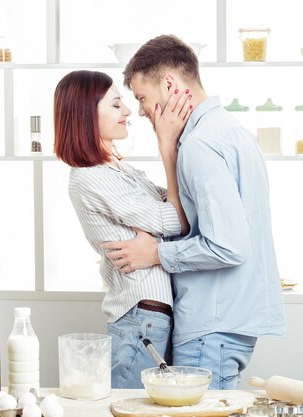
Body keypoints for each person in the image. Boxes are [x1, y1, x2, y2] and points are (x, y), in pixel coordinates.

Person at [101, 35, 286, 389]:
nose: (139, 110)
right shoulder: (233, 131)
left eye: (142, 98)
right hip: (233, 321)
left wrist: (156, 253)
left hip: (210, 325)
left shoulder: (200, 146)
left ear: (169, 84)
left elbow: (229, 246)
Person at [53, 70, 192, 388]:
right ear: (86, 114)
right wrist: (166, 147)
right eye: (116, 105)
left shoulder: (117, 168)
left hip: (149, 318)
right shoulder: (90, 177)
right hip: (141, 319)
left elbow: (172, 205)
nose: (129, 111)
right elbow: (174, 219)